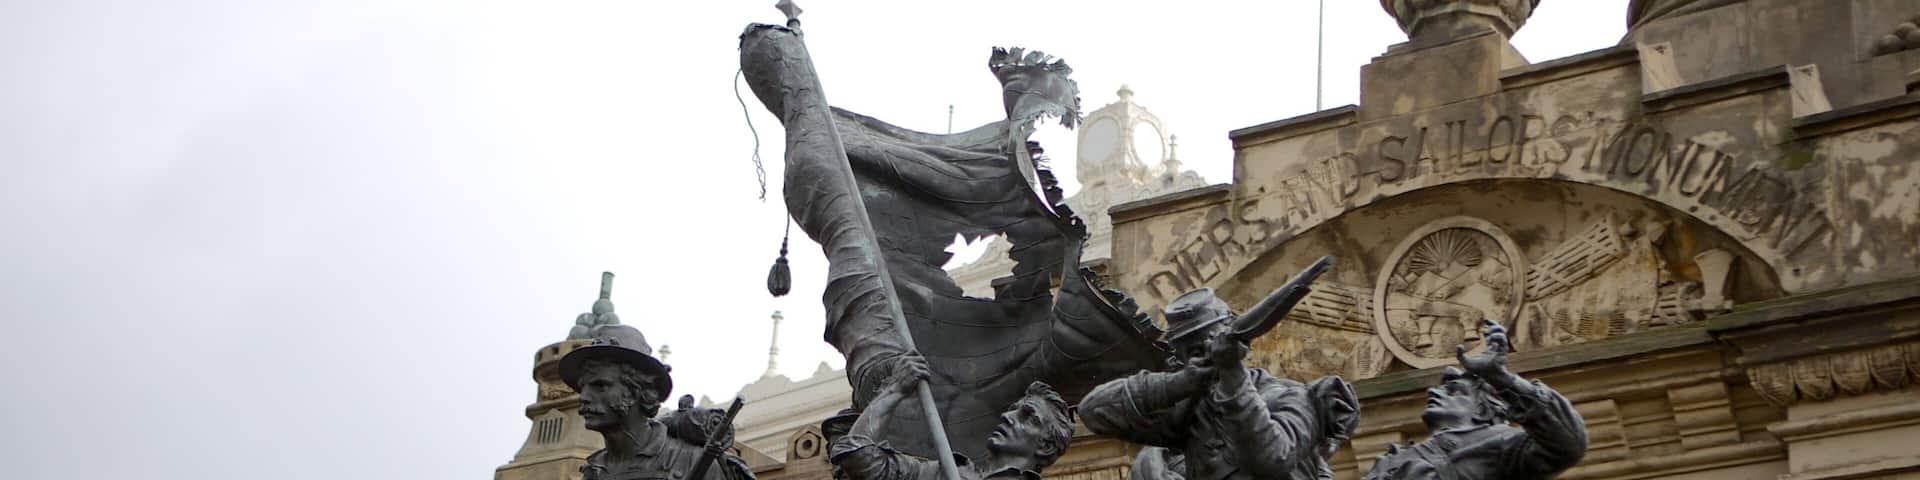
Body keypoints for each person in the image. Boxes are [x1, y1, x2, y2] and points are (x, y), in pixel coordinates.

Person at [1081, 288, 1360, 480]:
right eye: (1191, 351)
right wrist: (1179, 384)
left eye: (1209, 342)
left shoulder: (1291, 396)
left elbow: (1271, 460)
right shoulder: (1190, 412)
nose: (1206, 353)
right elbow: (1094, 411)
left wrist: (1232, 374)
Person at [1361, 319, 1587, 480]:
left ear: (1483, 409)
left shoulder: (1502, 442)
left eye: (1453, 390)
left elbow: (1567, 445)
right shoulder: (1391, 460)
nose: (1433, 392)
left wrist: (1500, 378)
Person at [830, 355, 1074, 480]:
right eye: (1015, 409)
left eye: (1028, 417)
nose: (1008, 416)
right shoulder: (941, 473)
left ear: (1045, 446)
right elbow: (857, 456)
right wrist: (896, 389)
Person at [560, 324, 753, 480]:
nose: (583, 397)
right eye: (582, 387)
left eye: (600, 386)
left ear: (637, 391)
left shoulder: (692, 462)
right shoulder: (593, 472)